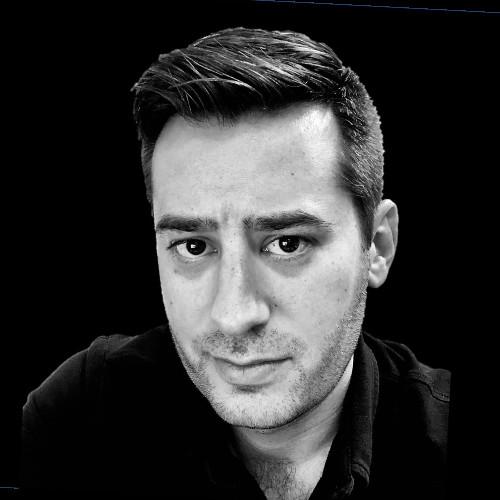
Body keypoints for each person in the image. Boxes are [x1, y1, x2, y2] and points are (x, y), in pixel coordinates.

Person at [21, 27, 451, 499]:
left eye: (287, 243)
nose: (234, 314)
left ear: (378, 245)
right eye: (193, 246)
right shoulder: (83, 415)